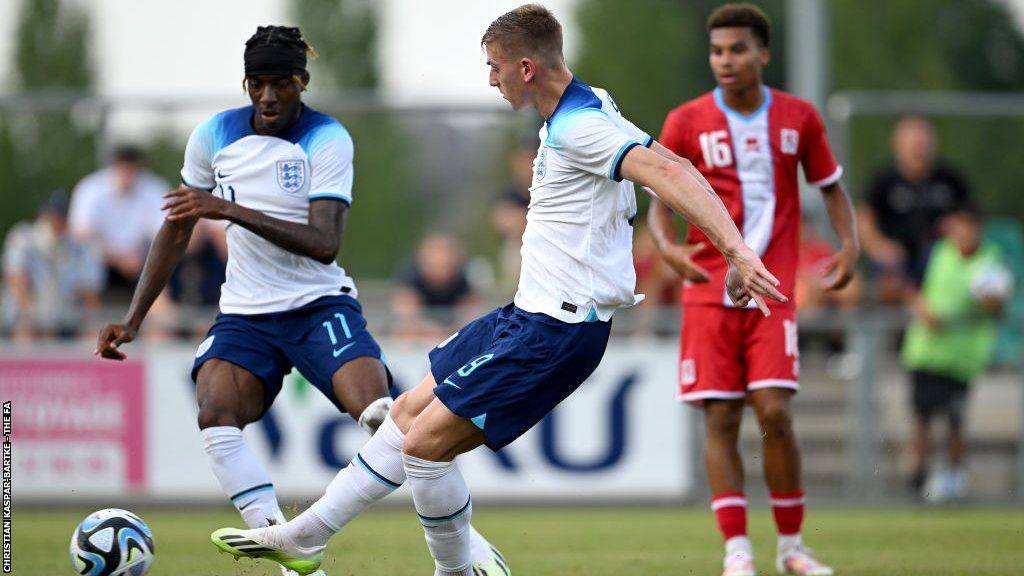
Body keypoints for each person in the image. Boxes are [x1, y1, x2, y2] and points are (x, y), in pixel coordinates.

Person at [210, 5, 785, 576]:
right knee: (407, 412)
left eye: (495, 67)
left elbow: (671, 174)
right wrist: (729, 243)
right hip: (524, 315)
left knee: (424, 449)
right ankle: (306, 537)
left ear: (527, 67)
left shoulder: (578, 127)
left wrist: (735, 250)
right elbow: (676, 159)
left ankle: (448, 570)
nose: (491, 79)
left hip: (559, 331)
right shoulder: (592, 102)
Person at [94, 25, 502, 576]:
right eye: (257, 83)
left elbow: (324, 242)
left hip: (319, 306)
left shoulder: (327, 139)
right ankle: (281, 547)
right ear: (246, 83)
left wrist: (228, 209)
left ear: (301, 82)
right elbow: (178, 226)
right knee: (215, 413)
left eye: (281, 83)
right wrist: (133, 318)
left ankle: (469, 546)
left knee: (388, 418)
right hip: (244, 312)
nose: (268, 96)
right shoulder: (212, 135)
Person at [647, 4, 858, 575]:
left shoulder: (798, 117)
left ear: (763, 53)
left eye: (738, 49)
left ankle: (792, 547)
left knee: (774, 412)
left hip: (773, 291)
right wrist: (666, 246)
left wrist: (849, 243)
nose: (726, 61)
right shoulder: (686, 120)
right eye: (717, 51)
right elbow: (659, 193)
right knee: (720, 418)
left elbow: (832, 186)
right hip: (706, 293)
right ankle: (737, 549)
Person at [901, 205, 1010, 502]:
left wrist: (992, 303)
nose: (964, 233)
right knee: (922, 417)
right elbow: (910, 289)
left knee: (955, 420)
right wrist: (923, 311)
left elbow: (998, 305)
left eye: (970, 227)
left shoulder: (991, 261)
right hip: (926, 351)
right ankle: (919, 476)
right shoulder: (935, 253)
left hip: (963, 357)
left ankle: (953, 479)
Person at [858, 116, 972, 305]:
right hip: (896, 261)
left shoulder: (950, 179)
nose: (920, 151)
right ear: (899, 147)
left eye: (924, 145)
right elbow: (864, 221)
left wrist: (955, 229)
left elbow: (970, 218)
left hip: (941, 258)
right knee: (890, 282)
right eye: (914, 145)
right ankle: (899, 328)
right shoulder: (884, 181)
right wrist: (880, 247)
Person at [2, 191, 104, 341]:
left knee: (95, 334)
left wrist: (92, 324)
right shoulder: (23, 238)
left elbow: (90, 293)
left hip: (65, 323)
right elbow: (16, 278)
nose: (57, 222)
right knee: (25, 331)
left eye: (61, 217)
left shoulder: (80, 247)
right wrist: (36, 320)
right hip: (26, 320)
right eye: (53, 216)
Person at [69, 145, 167, 287]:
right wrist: (118, 259)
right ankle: (90, 307)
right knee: (86, 265)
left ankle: (167, 308)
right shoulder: (91, 189)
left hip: (140, 260)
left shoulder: (154, 189)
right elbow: (81, 235)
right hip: (100, 260)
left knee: (161, 265)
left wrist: (142, 256)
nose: (127, 172)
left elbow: (162, 233)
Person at [391, 232, 479, 340]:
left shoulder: (462, 279)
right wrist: (438, 333)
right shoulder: (411, 276)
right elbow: (407, 318)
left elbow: (472, 316)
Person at [489, 135, 536, 292]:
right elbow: (503, 221)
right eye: (524, 161)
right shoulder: (509, 193)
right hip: (521, 248)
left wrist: (524, 219)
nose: (529, 166)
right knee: (514, 252)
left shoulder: (550, 189)